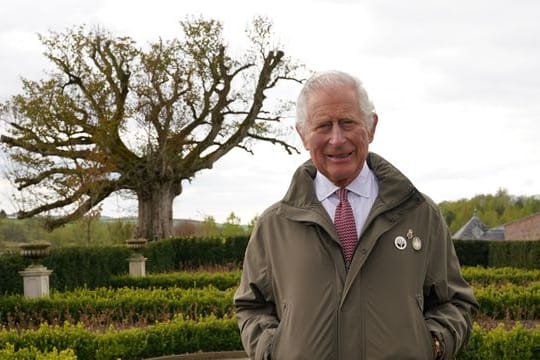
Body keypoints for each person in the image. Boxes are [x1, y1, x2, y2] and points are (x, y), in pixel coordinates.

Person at [234, 70, 478, 359]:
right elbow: (251, 306)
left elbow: (455, 301)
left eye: (347, 123)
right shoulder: (275, 225)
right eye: (323, 125)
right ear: (303, 135)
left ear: (371, 126)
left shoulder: (420, 214)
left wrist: (433, 346)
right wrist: (272, 350)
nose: (337, 139)